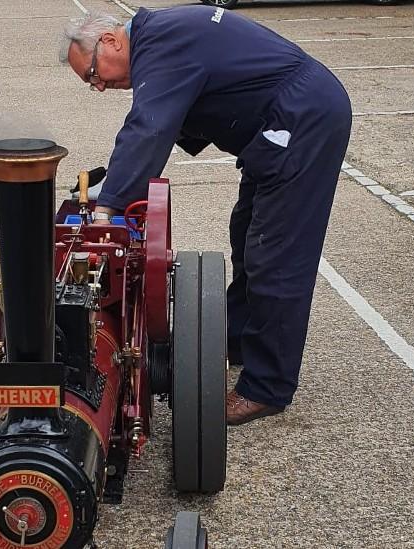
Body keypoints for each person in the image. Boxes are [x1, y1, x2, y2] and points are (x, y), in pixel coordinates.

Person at [60, 6, 352, 426]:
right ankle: (234, 343)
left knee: (276, 254)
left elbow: (150, 126)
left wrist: (109, 207)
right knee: (246, 236)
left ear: (109, 41)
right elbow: (172, 113)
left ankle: (266, 388)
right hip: (278, 123)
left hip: (302, 118)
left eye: (92, 74)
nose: (99, 86)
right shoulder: (161, 37)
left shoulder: (160, 41)